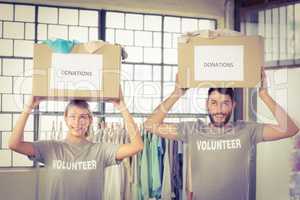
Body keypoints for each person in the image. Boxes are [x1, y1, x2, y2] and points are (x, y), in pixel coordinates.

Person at [144, 70, 299, 200]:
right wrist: (177, 93)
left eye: (225, 103)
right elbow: (151, 125)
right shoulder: (193, 130)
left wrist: (264, 95)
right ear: (207, 105)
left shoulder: (247, 130)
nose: (219, 109)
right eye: (214, 103)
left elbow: (290, 129)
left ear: (233, 105)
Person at [9, 89, 143, 200]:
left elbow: (137, 146)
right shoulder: (50, 148)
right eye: (72, 116)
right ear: (65, 119)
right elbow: (14, 144)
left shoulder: (101, 150)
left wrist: (122, 107)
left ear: (90, 120)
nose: (77, 122)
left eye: (83, 117)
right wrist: (29, 107)